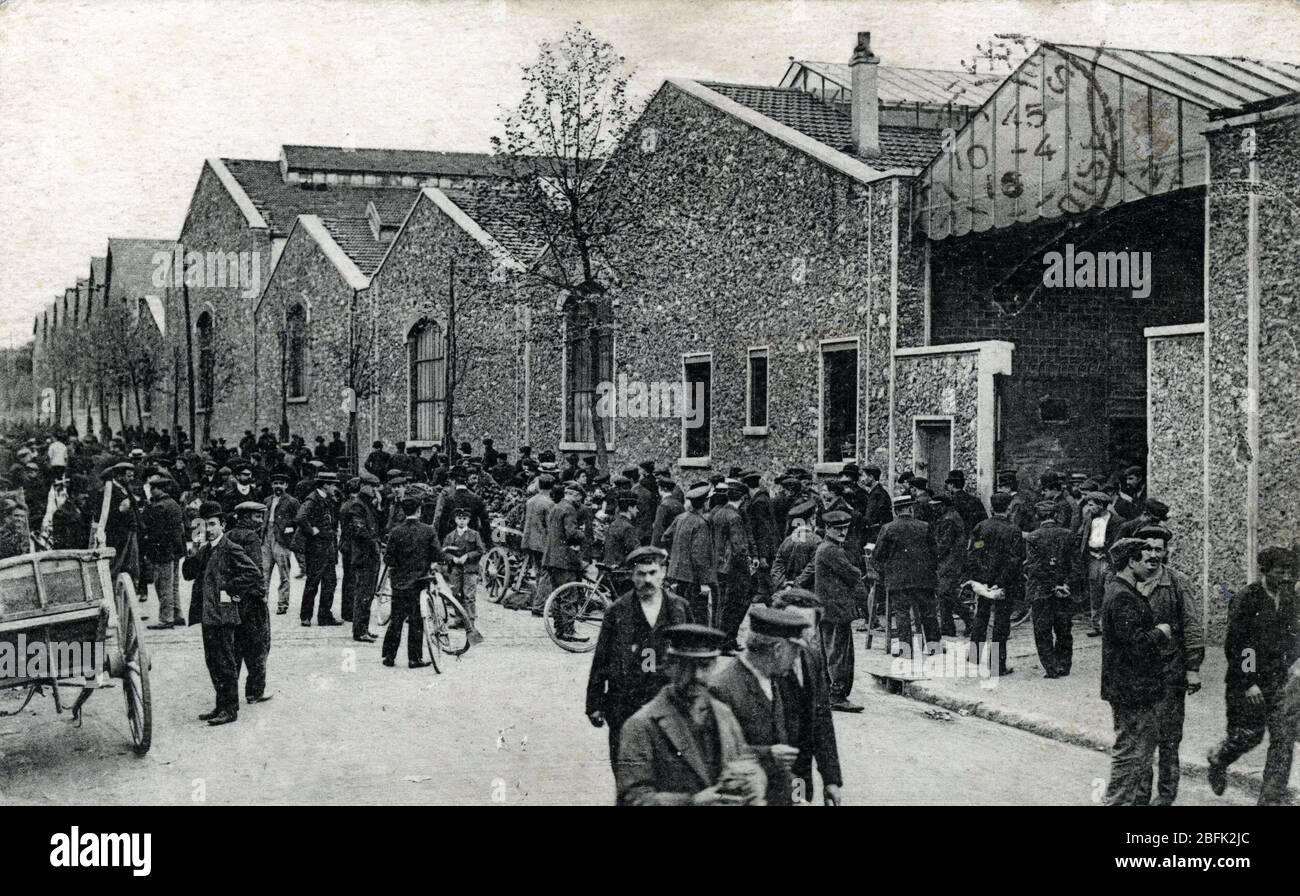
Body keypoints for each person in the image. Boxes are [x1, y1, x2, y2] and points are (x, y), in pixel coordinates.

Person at [614, 624, 764, 806]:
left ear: (715, 665)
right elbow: (632, 799)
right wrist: (691, 802)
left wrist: (753, 784)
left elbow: (746, 761)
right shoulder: (641, 725)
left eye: (705, 666)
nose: (697, 675)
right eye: (687, 666)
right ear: (670, 666)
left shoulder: (723, 714)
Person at [586, 546, 693, 771]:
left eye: (653, 572)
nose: (647, 580)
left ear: (663, 572)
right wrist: (594, 703)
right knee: (627, 770)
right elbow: (601, 659)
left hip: (668, 703)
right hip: (624, 704)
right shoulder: (617, 611)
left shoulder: (680, 609)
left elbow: (692, 656)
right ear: (632, 575)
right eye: (641, 574)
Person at [1207, 547, 1299, 806]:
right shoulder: (1247, 598)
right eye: (1279, 570)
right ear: (1265, 570)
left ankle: (1270, 800)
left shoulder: (1288, 599)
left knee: (1283, 740)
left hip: (1279, 681)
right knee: (1249, 735)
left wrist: (1291, 664)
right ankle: (1219, 758)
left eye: (1289, 570)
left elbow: (1293, 635)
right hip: (1247, 684)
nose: (1285, 576)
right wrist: (1250, 682)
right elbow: (1238, 645)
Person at [1133, 524, 1204, 805]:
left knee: (1169, 739)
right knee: (1139, 738)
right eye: (1147, 548)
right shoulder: (1128, 581)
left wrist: (1193, 667)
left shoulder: (1176, 582)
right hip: (1137, 673)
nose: (1153, 554)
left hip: (1169, 671)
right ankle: (1140, 797)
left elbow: (1192, 625)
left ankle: (1165, 797)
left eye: (1158, 549)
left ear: (1166, 552)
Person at [709, 605, 807, 805]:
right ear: (778, 650)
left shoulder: (772, 680)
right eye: (794, 651)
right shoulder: (724, 688)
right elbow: (716, 756)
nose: (796, 658)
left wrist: (796, 799)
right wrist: (768, 754)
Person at [1100, 537, 1171, 805]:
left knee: (1138, 752)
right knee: (1129, 752)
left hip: (1133, 686)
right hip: (1130, 688)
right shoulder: (1122, 596)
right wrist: (1160, 633)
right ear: (1131, 561)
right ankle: (1116, 802)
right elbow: (1135, 644)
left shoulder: (1124, 591)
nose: (1151, 565)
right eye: (1145, 558)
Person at [191, 501, 265, 726]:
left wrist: (230, 588)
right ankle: (220, 705)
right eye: (204, 525)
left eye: (212, 524)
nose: (209, 529)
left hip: (223, 614)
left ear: (222, 524)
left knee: (225, 662)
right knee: (212, 661)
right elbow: (187, 574)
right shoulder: (205, 549)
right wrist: (194, 550)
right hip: (207, 614)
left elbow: (253, 573)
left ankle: (230, 709)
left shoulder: (230, 546)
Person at [770, 587, 842, 805]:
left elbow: (821, 719)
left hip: (800, 775)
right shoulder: (767, 667)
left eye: (805, 627)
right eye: (791, 625)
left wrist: (831, 779)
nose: (798, 634)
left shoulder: (811, 657)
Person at [382, 496, 446, 668]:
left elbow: (388, 558)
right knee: (416, 619)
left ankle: (389, 657)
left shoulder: (396, 531)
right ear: (419, 510)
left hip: (400, 583)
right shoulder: (428, 530)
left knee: (396, 619)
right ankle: (414, 658)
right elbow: (438, 555)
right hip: (419, 583)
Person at [814, 510, 868, 712]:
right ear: (828, 528)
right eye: (838, 529)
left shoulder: (827, 547)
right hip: (836, 609)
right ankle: (837, 695)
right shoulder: (831, 550)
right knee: (840, 653)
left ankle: (829, 692)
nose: (842, 532)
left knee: (829, 650)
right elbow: (852, 573)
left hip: (828, 608)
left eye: (845, 528)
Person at [966, 491, 1024, 676]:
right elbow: (1014, 560)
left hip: (984, 583)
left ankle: (974, 659)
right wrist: (1000, 582)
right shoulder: (1013, 530)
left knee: (981, 617)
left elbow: (975, 554)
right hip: (1004, 584)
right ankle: (997, 665)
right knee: (1001, 623)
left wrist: (983, 579)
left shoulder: (981, 528)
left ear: (991, 508)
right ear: (1008, 509)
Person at [873, 494, 939, 656]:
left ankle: (906, 649)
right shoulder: (925, 526)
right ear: (911, 508)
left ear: (895, 511)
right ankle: (933, 646)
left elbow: (878, 554)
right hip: (923, 578)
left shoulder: (888, 528)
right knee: (928, 612)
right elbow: (935, 553)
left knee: (902, 613)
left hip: (898, 579)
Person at [227, 501, 273, 705]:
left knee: (234, 647)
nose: (261, 521)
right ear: (245, 517)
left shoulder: (228, 535)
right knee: (258, 647)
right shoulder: (251, 537)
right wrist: (262, 594)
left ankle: (230, 694)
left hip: (233, 598)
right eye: (257, 517)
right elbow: (255, 570)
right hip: (252, 600)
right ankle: (254, 692)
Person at [1023, 500, 1074, 678]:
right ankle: (1064, 665)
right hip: (1064, 590)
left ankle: (1051, 668)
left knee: (1042, 630)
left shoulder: (1033, 537)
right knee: (1064, 628)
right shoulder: (1068, 534)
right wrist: (1064, 584)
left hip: (1041, 590)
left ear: (1038, 516)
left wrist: (1052, 585)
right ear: (1055, 515)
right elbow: (1075, 565)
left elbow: (1035, 567)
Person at [665, 484, 717, 625]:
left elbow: (666, 537)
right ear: (705, 502)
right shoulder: (701, 523)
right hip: (693, 578)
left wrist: (676, 555)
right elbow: (699, 556)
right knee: (698, 616)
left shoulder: (681, 518)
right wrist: (704, 583)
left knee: (681, 612)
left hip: (677, 573)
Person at [295, 471, 342, 627]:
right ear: (325, 485)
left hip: (327, 546)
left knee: (330, 582)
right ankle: (306, 616)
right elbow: (301, 517)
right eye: (333, 484)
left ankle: (324, 616)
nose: (335, 487)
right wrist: (313, 531)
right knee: (313, 582)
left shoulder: (327, 498)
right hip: (316, 547)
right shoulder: (312, 499)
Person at [711, 480, 752, 648]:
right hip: (733, 568)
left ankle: (722, 640)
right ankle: (727, 641)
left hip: (719, 566)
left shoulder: (719, 513)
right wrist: (747, 567)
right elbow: (739, 547)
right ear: (742, 498)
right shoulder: (735, 517)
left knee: (722, 605)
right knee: (734, 605)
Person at [142, 474, 186, 629]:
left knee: (163, 585)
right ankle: (177, 614)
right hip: (175, 550)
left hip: (162, 551)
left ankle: (166, 618)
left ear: (157, 489)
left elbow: (154, 531)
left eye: (152, 489)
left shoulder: (158, 506)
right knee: (173, 584)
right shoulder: (173, 504)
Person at [1079, 491, 1121, 637]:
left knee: (1109, 591)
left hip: (1107, 559)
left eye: (1092, 505)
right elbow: (1081, 536)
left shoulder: (1116, 521)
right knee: (1094, 592)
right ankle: (1096, 625)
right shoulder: (1088, 519)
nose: (1089, 508)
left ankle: (1110, 626)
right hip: (1092, 558)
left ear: (1101, 505)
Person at [442, 507, 486, 646]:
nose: (462, 521)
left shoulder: (474, 534)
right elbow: (443, 552)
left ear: (468, 520)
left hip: (470, 569)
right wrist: (453, 559)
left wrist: (468, 555)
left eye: (464, 519)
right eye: (459, 518)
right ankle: (459, 619)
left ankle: (470, 622)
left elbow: (481, 550)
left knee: (469, 596)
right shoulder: (450, 536)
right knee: (455, 594)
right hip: (455, 569)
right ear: (455, 520)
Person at [931, 493, 971, 637]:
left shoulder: (948, 520)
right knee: (945, 594)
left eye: (935, 506)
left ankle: (968, 617)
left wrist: (932, 555)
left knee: (945, 593)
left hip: (950, 561)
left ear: (942, 506)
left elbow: (944, 544)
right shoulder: (951, 516)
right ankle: (948, 627)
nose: (933, 509)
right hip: (952, 560)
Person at [262, 473, 299, 615]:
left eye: (281, 483)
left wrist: (289, 532)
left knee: (284, 573)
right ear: (271, 485)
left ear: (286, 485)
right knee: (264, 571)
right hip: (267, 537)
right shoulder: (267, 501)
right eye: (275, 483)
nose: (278, 486)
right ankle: (262, 601)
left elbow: (298, 521)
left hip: (282, 540)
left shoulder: (291, 501)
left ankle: (282, 604)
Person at [650, 478, 683, 549]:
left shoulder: (663, 506)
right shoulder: (679, 504)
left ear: (662, 489)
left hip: (665, 544)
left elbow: (658, 529)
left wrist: (653, 547)